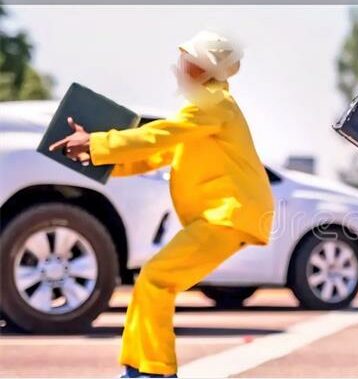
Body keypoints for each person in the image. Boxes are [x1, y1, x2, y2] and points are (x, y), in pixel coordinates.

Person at [49, 31, 274, 378]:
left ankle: (155, 372)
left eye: (189, 62)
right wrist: (95, 158)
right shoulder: (203, 113)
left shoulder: (214, 104)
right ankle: (137, 368)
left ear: (205, 69)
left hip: (229, 215)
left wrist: (95, 143)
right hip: (223, 217)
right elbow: (157, 153)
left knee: (156, 279)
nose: (179, 69)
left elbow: (158, 135)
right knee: (151, 281)